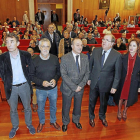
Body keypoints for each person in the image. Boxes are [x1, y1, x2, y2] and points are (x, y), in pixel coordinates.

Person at [0, 33, 35, 138]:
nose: (9, 44)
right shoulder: (2, 57)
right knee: (13, 109)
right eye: (7, 42)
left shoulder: (26, 55)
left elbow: (31, 69)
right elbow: (1, 72)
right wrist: (7, 81)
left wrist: (29, 79)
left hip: (24, 86)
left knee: (27, 107)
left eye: (12, 41)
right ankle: (15, 126)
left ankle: (29, 124)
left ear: (18, 43)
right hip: (11, 87)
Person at [88, 34, 122, 127]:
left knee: (103, 103)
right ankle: (91, 117)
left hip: (106, 84)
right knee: (92, 101)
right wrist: (89, 78)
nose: (103, 41)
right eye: (103, 39)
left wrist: (114, 86)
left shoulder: (117, 55)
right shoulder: (96, 51)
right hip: (94, 81)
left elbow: (118, 73)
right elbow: (89, 66)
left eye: (107, 40)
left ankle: (102, 116)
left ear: (112, 43)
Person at [30, 38, 61, 132]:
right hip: (40, 90)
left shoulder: (55, 58)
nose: (45, 48)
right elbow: (31, 76)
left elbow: (58, 73)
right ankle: (41, 122)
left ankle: (53, 121)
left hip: (53, 89)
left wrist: (55, 80)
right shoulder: (34, 60)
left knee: (53, 107)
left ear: (50, 47)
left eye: (47, 46)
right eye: (43, 46)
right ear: (39, 47)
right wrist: (41, 82)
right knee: (41, 108)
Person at [60, 38, 89, 132]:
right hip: (68, 88)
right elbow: (63, 75)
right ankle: (65, 122)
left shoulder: (85, 57)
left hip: (80, 88)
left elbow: (87, 73)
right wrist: (74, 87)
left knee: (78, 106)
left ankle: (76, 120)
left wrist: (80, 85)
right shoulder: (65, 58)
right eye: (77, 45)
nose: (80, 47)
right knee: (66, 106)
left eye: (81, 45)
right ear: (72, 46)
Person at [114, 39, 140, 121]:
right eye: (130, 45)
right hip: (123, 81)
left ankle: (125, 111)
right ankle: (119, 111)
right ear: (128, 46)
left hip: (133, 82)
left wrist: (139, 86)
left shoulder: (139, 60)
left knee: (129, 97)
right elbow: (117, 71)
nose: (132, 47)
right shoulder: (122, 57)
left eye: (134, 46)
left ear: (138, 48)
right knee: (121, 97)